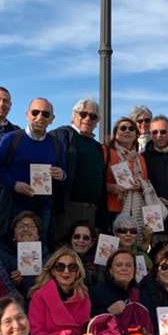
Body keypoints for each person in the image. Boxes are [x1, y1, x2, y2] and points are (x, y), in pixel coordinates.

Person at [0, 98, 66, 246]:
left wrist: (62, 174)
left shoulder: (56, 145)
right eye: (35, 112)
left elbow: (64, 172)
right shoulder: (11, 139)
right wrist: (14, 184)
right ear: (27, 115)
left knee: (41, 246)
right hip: (15, 204)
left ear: (52, 119)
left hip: (43, 206)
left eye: (45, 114)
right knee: (11, 245)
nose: (40, 117)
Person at [51, 98, 107, 239]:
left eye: (93, 116)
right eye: (83, 114)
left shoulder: (97, 146)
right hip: (68, 207)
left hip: (91, 210)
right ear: (74, 115)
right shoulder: (62, 135)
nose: (88, 118)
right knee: (63, 247)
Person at [103, 117, 149, 233]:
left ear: (136, 135)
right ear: (116, 134)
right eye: (123, 128)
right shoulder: (106, 151)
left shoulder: (141, 158)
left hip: (135, 210)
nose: (127, 131)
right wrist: (110, 187)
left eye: (131, 129)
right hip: (112, 208)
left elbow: (146, 181)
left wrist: (140, 185)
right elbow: (97, 179)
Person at [0, 211, 47, 298]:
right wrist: (11, 282)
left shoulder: (48, 256)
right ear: (14, 234)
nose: (25, 229)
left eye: (31, 226)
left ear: (38, 235)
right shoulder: (1, 254)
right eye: (21, 226)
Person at [112, 213, 152, 278]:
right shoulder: (108, 254)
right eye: (123, 231)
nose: (128, 234)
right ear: (116, 233)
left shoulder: (143, 257)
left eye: (133, 231)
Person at [64, 220, 100, 286]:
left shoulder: (99, 264)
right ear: (71, 239)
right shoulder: (59, 258)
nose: (81, 240)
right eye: (76, 237)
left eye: (86, 238)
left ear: (92, 242)